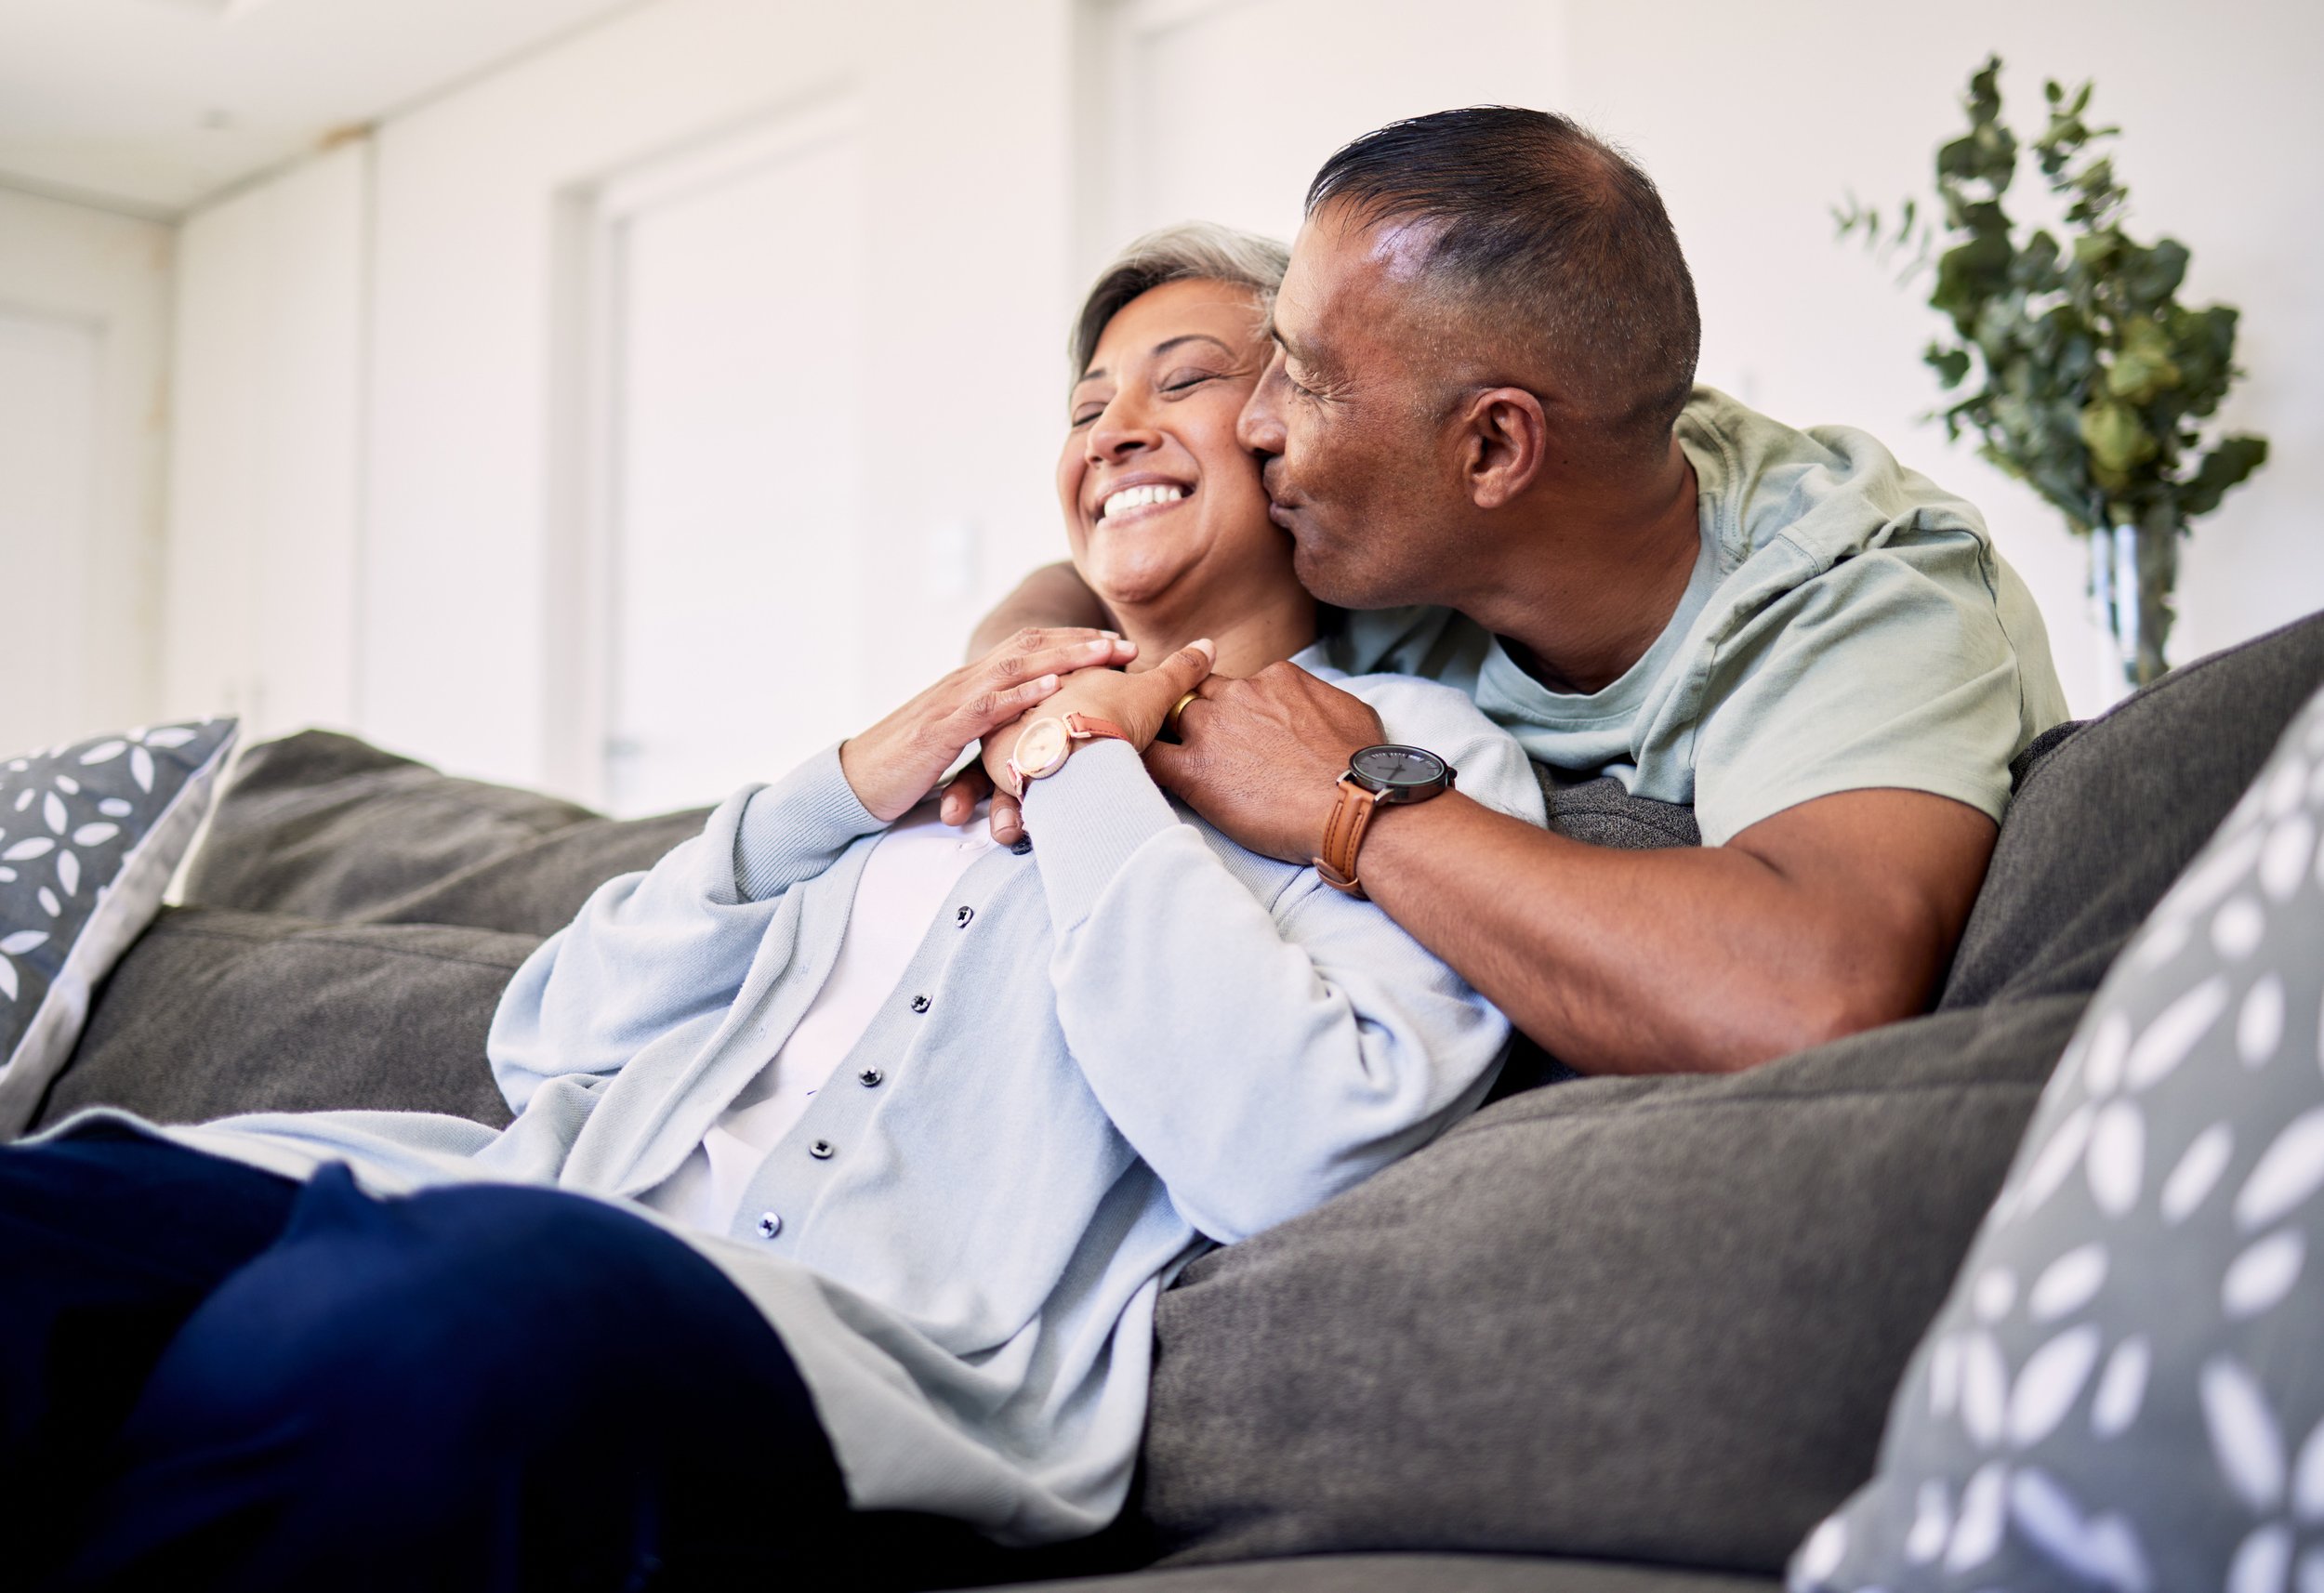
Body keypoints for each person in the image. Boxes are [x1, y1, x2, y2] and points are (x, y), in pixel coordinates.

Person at [0, 223, 1544, 1591]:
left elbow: (1282, 1141)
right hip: (506, 1195)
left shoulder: (1404, 753)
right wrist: (855, 771)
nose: (1114, 425)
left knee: (405, 1327)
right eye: (1085, 406)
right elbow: (556, 1033)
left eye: (1179, 380)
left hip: (847, 1346)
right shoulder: (929, 752)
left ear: (1290, 432)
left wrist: (1082, 769)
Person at [970, 106, 2070, 1078]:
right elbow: (1104, 565)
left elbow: (1806, 991)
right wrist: (1016, 686)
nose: (1259, 426)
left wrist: (1346, 804)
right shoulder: (1376, 518)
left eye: (1300, 380)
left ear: (1493, 448)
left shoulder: (1861, 585)